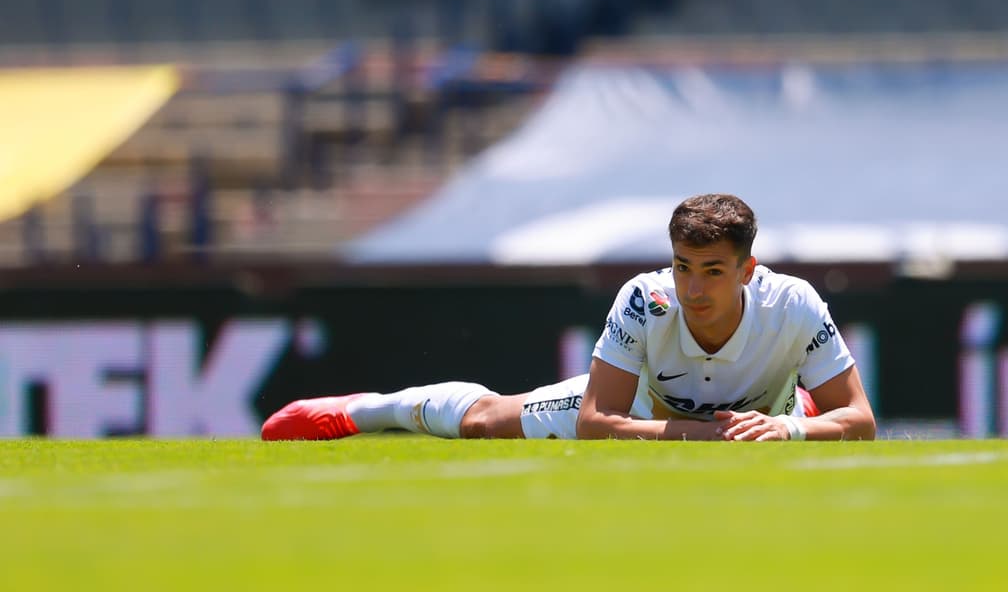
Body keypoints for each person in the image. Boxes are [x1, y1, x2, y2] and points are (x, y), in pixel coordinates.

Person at [262, 193, 875, 442]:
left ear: (747, 270)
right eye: (683, 266)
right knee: (483, 422)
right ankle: (362, 410)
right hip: (645, 407)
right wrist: (707, 436)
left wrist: (787, 430)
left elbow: (863, 421)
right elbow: (596, 420)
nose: (693, 287)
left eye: (713, 271)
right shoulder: (646, 299)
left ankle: (797, 408)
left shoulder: (792, 302)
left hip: (762, 420)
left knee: (810, 417)